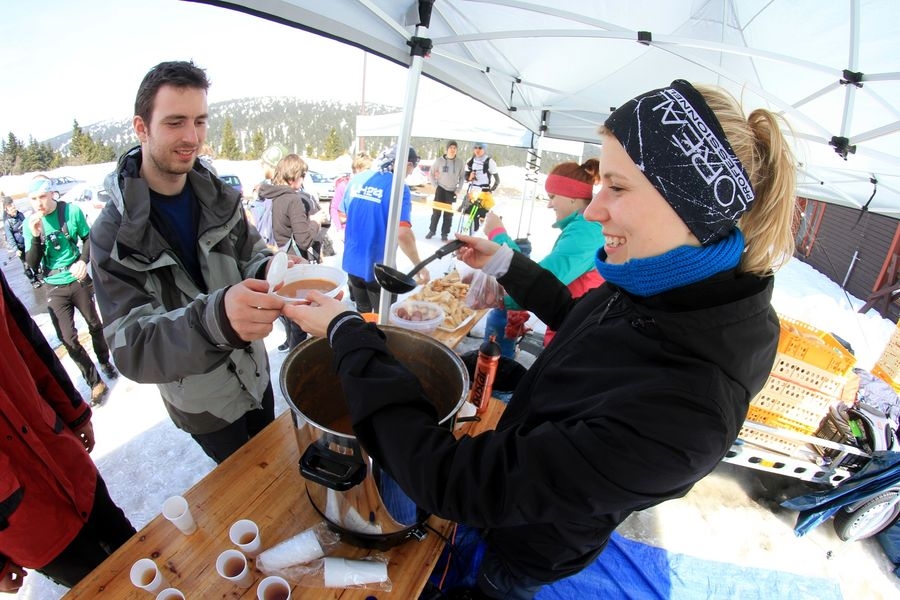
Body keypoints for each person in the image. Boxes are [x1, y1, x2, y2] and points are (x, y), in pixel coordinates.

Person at [283, 79, 796, 598]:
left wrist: (348, 334)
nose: (594, 211)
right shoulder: (664, 284)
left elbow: (457, 483)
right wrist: (509, 265)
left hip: (526, 546)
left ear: (692, 210)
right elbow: (584, 321)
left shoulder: (689, 414)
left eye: (617, 187)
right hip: (513, 481)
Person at [89, 60, 285, 464]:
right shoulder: (113, 234)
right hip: (204, 404)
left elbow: (251, 254)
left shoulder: (218, 195)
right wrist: (217, 321)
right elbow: (133, 347)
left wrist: (274, 272)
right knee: (243, 492)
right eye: (175, 122)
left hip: (256, 373)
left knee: (273, 470)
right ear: (141, 128)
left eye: (200, 121)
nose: (192, 137)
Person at [0, 269, 135, 591]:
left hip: (62, 455)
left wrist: (72, 412)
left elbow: (25, 340)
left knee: (140, 556)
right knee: (100, 588)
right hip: (20, 518)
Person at [482, 159, 606, 352]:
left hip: (573, 338)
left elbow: (542, 281)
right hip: (570, 328)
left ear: (572, 196)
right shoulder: (584, 227)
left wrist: (497, 234)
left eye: (552, 196)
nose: (549, 204)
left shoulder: (586, 232)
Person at [23, 176, 117, 407]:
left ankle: (104, 360)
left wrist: (83, 261)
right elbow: (32, 264)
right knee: (68, 339)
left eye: (42, 197)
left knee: (94, 324)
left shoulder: (71, 212)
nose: (39, 204)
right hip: (54, 283)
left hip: (78, 278)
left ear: (52, 194)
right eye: (33, 199)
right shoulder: (30, 223)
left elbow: (88, 239)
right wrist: (35, 238)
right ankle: (94, 381)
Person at [340, 145, 429, 313]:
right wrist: (420, 265)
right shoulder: (398, 188)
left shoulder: (358, 179)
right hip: (379, 271)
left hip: (352, 263)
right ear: (406, 164)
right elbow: (402, 233)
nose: (410, 173)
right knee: (383, 321)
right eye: (412, 167)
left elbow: (343, 215)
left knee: (362, 315)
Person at [258, 153, 323, 351]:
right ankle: (295, 357)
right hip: (295, 263)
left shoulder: (270, 193)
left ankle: (288, 343)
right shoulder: (293, 199)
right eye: (302, 175)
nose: (303, 181)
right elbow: (303, 239)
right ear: (293, 175)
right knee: (299, 318)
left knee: (285, 308)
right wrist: (316, 223)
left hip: (278, 259)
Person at [426, 140, 466, 241]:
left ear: (456, 150)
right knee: (436, 212)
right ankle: (432, 231)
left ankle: (445, 234)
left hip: (452, 191)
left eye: (454, 148)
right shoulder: (439, 161)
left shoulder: (460, 163)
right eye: (451, 148)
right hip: (440, 189)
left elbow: (462, 177)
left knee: (448, 214)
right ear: (447, 149)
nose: (452, 150)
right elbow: (431, 173)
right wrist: (435, 185)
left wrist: (458, 190)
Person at [330, 152, 372, 241]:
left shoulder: (371, 186)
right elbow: (334, 208)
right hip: (348, 233)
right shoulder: (344, 185)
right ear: (357, 168)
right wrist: (339, 229)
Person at [3, 195, 43, 288]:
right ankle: (33, 281)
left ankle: (38, 275)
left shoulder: (20, 214)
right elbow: (10, 238)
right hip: (20, 247)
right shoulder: (8, 223)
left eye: (13, 205)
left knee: (35, 259)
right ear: (7, 210)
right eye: (10, 207)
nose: (13, 208)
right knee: (26, 264)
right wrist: (16, 249)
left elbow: (27, 226)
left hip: (28, 243)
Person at [463, 142, 499, 232]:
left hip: (484, 193)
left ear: (484, 149)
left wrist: (490, 190)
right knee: (472, 215)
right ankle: (472, 234)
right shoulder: (470, 160)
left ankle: (480, 234)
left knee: (483, 216)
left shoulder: (489, 161)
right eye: (475, 148)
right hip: (473, 191)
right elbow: (465, 177)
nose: (477, 150)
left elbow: (497, 181)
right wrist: (469, 177)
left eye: (480, 148)